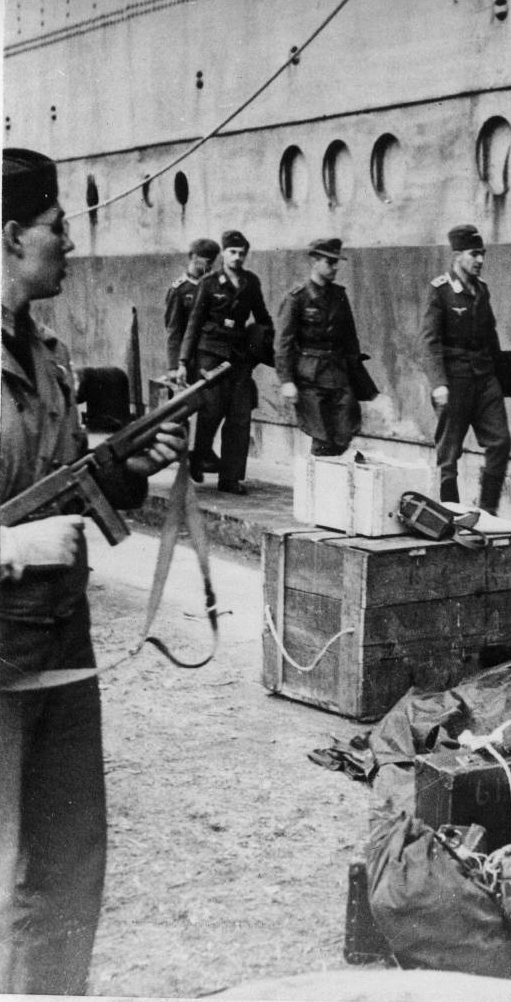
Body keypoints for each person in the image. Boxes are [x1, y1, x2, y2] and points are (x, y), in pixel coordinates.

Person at [0, 147, 185, 996]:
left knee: (70, 867)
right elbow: (33, 526)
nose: (70, 242)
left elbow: (69, 491)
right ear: (10, 236)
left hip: (61, 652)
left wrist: (132, 464)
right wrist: (14, 548)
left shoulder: (49, 354)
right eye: (56, 227)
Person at [420, 224, 511, 514]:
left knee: (501, 441)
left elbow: (491, 335)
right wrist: (438, 384)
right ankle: (450, 514)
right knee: (449, 454)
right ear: (457, 255)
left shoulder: (481, 290)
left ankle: (487, 511)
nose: (480, 260)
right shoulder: (440, 291)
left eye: (482, 254)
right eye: (474, 254)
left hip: (484, 380)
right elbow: (429, 342)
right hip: (454, 381)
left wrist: (503, 377)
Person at [177, 229, 274, 494]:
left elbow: (263, 318)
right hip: (210, 354)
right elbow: (194, 323)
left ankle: (230, 479)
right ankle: (199, 456)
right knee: (210, 412)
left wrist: (259, 345)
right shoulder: (208, 283)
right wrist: (184, 361)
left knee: (240, 417)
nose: (237, 257)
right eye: (232, 252)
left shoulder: (250, 282)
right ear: (223, 253)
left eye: (242, 253)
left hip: (239, 357)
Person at [276, 238, 363, 457]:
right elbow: (284, 343)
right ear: (314, 261)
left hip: (338, 374)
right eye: (329, 262)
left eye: (336, 262)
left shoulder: (339, 295)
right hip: (310, 377)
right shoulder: (297, 298)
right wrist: (286, 381)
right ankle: (321, 488)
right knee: (322, 436)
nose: (335, 268)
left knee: (345, 431)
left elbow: (350, 340)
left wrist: (358, 378)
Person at [164, 237, 219, 376]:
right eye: (204, 259)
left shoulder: (214, 286)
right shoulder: (180, 289)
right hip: (188, 357)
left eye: (211, 260)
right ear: (192, 257)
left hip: (210, 354)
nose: (208, 264)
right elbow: (173, 329)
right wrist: (173, 367)